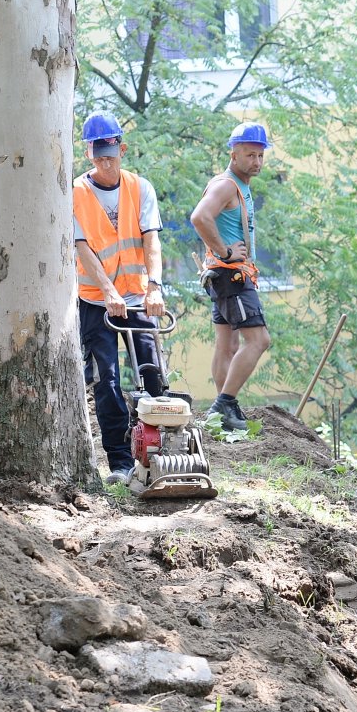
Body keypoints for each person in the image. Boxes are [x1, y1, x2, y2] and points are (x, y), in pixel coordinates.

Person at [72, 113, 166, 484]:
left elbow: (151, 240)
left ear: (122, 149)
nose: (104, 162)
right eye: (98, 156)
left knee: (152, 370)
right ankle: (119, 461)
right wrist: (109, 292)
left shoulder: (140, 188)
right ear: (89, 153)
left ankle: (161, 450)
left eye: (110, 155)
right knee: (107, 380)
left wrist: (154, 286)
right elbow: (82, 247)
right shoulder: (77, 192)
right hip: (97, 300)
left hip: (139, 295)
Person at [189, 122, 272, 431]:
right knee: (260, 339)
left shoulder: (238, 185)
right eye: (250, 155)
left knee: (227, 345)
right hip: (231, 276)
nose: (257, 162)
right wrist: (224, 252)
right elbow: (199, 217)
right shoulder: (226, 185)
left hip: (223, 277)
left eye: (260, 156)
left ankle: (222, 414)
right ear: (233, 154)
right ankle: (224, 404)